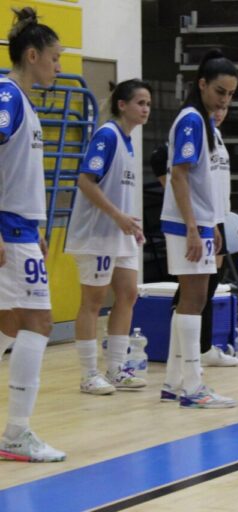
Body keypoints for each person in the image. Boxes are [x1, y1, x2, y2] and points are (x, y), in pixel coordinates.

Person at [0, 7, 66, 462]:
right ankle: (16, 435)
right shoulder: (7, 96)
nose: (59, 66)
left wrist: (37, 226)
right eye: (55, 58)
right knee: (39, 324)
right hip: (8, 229)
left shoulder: (22, 101)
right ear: (32, 54)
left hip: (23, 228)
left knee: (9, 326)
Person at [160, 49, 238, 408]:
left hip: (198, 222)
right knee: (193, 299)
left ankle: (175, 380)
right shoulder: (192, 120)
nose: (225, 99)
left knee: (194, 299)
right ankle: (192, 386)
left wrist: (211, 223)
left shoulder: (203, 121)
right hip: (184, 223)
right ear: (202, 84)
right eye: (220, 91)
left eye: (231, 94)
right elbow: (179, 175)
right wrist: (193, 227)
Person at [65, 79, 152, 395]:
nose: (145, 109)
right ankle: (89, 373)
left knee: (128, 294)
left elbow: (119, 192)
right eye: (140, 103)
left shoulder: (129, 141)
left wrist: (131, 223)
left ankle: (116, 368)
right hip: (96, 234)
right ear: (122, 105)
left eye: (148, 104)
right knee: (94, 300)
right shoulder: (107, 135)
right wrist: (117, 217)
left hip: (120, 233)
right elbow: (86, 182)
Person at [149, 107, 238, 367]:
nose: (223, 108)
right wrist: (190, 218)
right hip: (195, 220)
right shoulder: (192, 123)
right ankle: (192, 360)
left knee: (208, 287)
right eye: (220, 99)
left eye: (228, 103)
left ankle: (201, 350)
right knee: (194, 292)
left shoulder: (216, 135)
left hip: (215, 217)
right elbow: (166, 163)